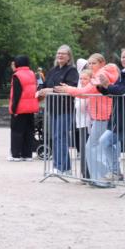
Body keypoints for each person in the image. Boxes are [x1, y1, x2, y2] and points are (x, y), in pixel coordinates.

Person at [55, 53, 120, 186]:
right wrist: (69, 90)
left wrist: (68, 89)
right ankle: (100, 178)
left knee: (95, 146)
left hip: (104, 115)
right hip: (100, 115)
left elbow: (86, 91)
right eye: (89, 63)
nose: (90, 66)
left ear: (102, 63)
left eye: (93, 63)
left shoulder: (102, 75)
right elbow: (86, 93)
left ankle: (103, 180)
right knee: (96, 146)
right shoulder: (99, 75)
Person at [36, 45, 80, 174]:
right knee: (55, 137)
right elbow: (44, 85)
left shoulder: (71, 71)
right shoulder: (53, 70)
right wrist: (40, 91)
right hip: (53, 108)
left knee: (61, 137)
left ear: (69, 57)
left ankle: (63, 167)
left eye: (63, 54)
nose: (60, 56)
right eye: (58, 53)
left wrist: (50, 90)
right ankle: (60, 166)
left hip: (65, 108)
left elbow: (68, 87)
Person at [96, 46, 125, 183]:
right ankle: (116, 172)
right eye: (123, 57)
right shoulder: (123, 73)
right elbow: (115, 92)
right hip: (120, 117)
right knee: (104, 141)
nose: (124, 59)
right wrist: (102, 87)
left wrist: (108, 86)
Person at [8, 55, 39, 161]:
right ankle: (27, 154)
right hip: (31, 108)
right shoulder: (32, 74)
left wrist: (14, 109)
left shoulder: (17, 75)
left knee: (17, 131)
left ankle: (16, 154)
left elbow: (17, 94)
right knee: (29, 131)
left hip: (20, 108)